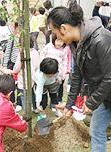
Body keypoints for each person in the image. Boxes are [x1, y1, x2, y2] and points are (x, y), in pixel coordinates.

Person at [47, 0, 111, 151]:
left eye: (56, 34)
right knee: (96, 130)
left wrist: (91, 102)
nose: (58, 38)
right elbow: (77, 74)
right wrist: (69, 105)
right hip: (105, 95)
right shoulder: (76, 43)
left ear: (64, 28)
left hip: (105, 90)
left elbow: (110, 77)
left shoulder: (101, 39)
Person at [40, 34, 70, 113]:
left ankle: (54, 105)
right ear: (53, 40)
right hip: (48, 72)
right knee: (45, 90)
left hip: (57, 74)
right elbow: (42, 55)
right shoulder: (48, 46)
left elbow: (64, 61)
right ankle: (44, 106)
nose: (59, 43)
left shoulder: (64, 49)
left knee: (54, 91)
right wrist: (45, 65)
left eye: (61, 41)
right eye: (57, 41)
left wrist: (63, 73)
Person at [9, 35, 39, 113]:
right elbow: (37, 66)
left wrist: (14, 71)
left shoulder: (22, 54)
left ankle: (26, 113)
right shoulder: (35, 52)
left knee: (24, 97)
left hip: (23, 79)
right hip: (32, 78)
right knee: (32, 93)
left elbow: (16, 68)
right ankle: (35, 107)